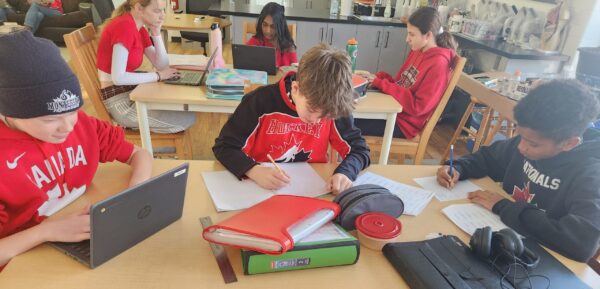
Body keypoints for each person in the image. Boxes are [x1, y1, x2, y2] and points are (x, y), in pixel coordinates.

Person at [0, 30, 153, 267]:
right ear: (7, 113)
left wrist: (135, 192)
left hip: (75, 235)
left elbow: (138, 153)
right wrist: (46, 232)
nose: (67, 126)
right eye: (49, 120)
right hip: (25, 259)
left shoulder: (82, 125)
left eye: (72, 112)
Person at [437, 80, 600, 262]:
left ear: (569, 143)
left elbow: (581, 244)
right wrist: (459, 168)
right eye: (519, 135)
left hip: (539, 258)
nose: (521, 147)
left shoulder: (591, 174)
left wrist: (503, 206)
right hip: (504, 239)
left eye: (533, 144)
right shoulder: (530, 139)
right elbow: (488, 158)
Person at [213, 44, 370, 195]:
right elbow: (225, 147)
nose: (317, 121)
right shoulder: (259, 102)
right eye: (312, 110)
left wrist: (346, 173)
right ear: (296, 89)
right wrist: (253, 170)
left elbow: (359, 150)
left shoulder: (333, 106)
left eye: (325, 117)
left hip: (313, 191)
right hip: (260, 189)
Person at [354, 7, 457, 140]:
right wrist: (379, 78)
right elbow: (400, 85)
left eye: (412, 34)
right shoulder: (418, 51)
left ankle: (349, 158)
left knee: (347, 122)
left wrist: (381, 83)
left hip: (403, 124)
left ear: (428, 35)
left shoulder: (439, 64)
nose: (407, 39)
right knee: (346, 115)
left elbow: (418, 107)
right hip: (395, 112)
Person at [96, 0, 196, 134]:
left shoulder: (139, 27)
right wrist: (158, 76)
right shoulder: (124, 26)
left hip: (132, 90)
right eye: (157, 11)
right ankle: (142, 146)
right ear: (139, 8)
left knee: (183, 110)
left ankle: (146, 140)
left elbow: (162, 65)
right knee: (187, 118)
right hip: (120, 101)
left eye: (163, 10)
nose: (162, 16)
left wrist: (156, 32)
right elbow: (118, 78)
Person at [246, 2, 297, 67]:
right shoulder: (255, 42)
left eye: (273, 26)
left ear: (280, 26)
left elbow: (295, 73)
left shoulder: (289, 47)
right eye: (265, 25)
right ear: (260, 23)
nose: (268, 31)